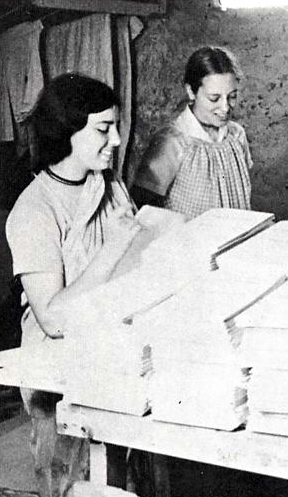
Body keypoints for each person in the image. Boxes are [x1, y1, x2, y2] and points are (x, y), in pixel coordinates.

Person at [5, 74, 141, 497]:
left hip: (114, 356)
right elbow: (53, 318)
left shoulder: (110, 185)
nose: (116, 140)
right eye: (103, 129)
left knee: (124, 481)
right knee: (69, 483)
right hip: (59, 373)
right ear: (67, 131)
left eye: (115, 127)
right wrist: (114, 247)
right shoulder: (34, 210)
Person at [130, 46, 252, 218]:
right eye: (214, 98)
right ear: (191, 91)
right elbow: (142, 209)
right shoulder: (172, 142)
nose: (225, 107)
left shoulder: (236, 135)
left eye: (232, 96)